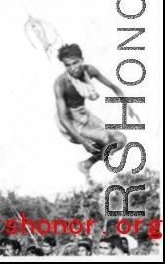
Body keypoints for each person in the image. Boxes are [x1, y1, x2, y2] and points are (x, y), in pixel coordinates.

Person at [54, 44, 132, 185]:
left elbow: (114, 87)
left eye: (75, 63)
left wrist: (127, 105)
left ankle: (87, 164)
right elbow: (62, 118)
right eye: (68, 65)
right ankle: (107, 179)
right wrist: (82, 140)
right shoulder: (61, 83)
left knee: (121, 139)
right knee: (104, 137)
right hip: (70, 120)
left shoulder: (90, 71)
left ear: (82, 60)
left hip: (84, 114)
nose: (73, 68)